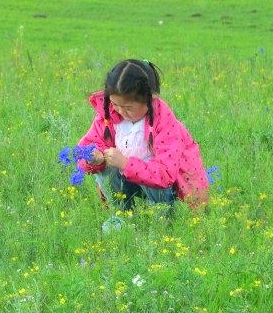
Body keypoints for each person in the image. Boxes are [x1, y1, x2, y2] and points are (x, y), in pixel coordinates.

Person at [65, 58, 209, 213]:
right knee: (105, 171)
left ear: (150, 100)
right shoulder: (108, 115)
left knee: (151, 172)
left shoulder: (166, 123)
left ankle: (162, 218)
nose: (120, 111)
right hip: (127, 179)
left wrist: (125, 164)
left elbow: (165, 175)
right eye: (115, 104)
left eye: (128, 108)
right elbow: (87, 147)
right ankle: (122, 214)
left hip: (165, 189)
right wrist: (95, 158)